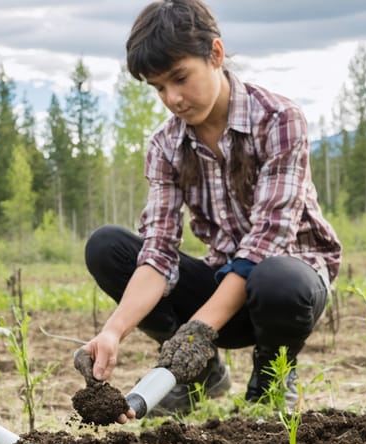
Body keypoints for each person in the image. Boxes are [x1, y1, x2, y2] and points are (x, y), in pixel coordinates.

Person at [81, 0, 341, 421]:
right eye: (158, 87)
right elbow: (159, 252)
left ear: (215, 55)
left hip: (288, 292)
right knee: (108, 247)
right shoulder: (166, 146)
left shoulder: (279, 119)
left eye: (180, 78)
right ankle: (199, 374)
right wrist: (113, 331)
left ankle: (272, 383)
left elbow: (265, 243)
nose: (173, 98)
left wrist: (198, 332)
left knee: (276, 274)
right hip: (223, 295)